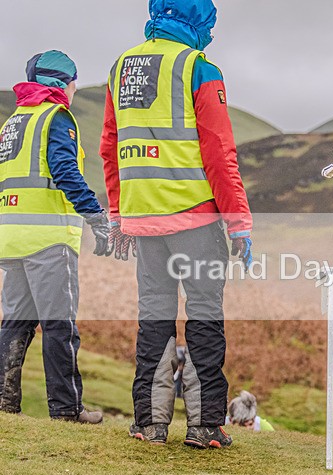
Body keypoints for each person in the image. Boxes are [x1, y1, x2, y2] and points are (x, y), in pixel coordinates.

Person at [100, 0, 253, 448]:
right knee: (204, 316)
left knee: (153, 319)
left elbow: (110, 147)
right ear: (197, 21)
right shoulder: (198, 67)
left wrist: (118, 215)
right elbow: (219, 153)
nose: (212, 34)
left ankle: (149, 424)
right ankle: (204, 426)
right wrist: (239, 223)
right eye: (210, 24)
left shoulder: (120, 68)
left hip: (144, 222)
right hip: (195, 219)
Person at [0, 50, 110, 423]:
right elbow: (65, 171)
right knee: (59, 324)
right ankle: (66, 409)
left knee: (16, 322)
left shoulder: (13, 122)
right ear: (62, 83)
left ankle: (4, 402)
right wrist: (96, 216)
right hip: (48, 238)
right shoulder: (56, 117)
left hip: (12, 237)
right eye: (73, 82)